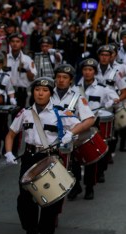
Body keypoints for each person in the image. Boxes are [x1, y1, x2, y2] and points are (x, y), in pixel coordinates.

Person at [4, 77, 85, 234]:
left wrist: (70, 133)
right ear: (33, 92)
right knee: (25, 201)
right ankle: (30, 232)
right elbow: (11, 134)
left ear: (51, 93)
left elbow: (83, 123)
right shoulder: (24, 113)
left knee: (51, 202)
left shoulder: (60, 113)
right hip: (29, 158)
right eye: (37, 90)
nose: (40, 93)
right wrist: (8, 152)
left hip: (50, 158)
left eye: (45, 90)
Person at [75, 58, 120, 199]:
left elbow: (116, 98)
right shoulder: (75, 89)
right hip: (77, 124)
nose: (87, 72)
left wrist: (109, 102)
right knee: (74, 158)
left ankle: (89, 187)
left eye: (90, 70)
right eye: (85, 70)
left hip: (95, 124)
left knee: (92, 156)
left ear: (94, 72)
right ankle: (75, 186)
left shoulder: (102, 88)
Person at [51, 64, 96, 201]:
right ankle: (74, 187)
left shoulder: (77, 97)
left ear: (70, 80)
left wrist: (71, 132)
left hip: (74, 137)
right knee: (64, 166)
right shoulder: (48, 93)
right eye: (58, 77)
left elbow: (89, 119)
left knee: (83, 160)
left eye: (65, 77)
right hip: (53, 138)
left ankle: (89, 187)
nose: (61, 80)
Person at [5, 33, 36, 108]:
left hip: (21, 92)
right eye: (13, 41)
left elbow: (32, 78)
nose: (15, 44)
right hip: (6, 91)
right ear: (10, 43)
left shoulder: (27, 59)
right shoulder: (4, 59)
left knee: (19, 116)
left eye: (17, 41)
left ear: (22, 44)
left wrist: (27, 69)